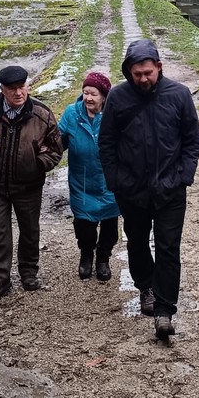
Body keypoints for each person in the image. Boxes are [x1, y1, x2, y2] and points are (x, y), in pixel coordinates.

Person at [98, 37, 199, 342]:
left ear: (158, 67)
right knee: (138, 242)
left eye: (148, 73)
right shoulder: (117, 98)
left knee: (169, 248)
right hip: (131, 190)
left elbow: (192, 141)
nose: (143, 79)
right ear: (129, 71)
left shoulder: (179, 95)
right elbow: (106, 143)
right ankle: (145, 287)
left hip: (171, 189)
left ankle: (165, 310)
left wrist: (184, 176)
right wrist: (115, 181)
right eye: (137, 74)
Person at [0, 64, 64, 301]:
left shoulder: (42, 114)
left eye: (22, 87)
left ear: (27, 86)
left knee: (30, 231)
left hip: (29, 186)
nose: (19, 93)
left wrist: (37, 163)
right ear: (2, 90)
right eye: (12, 89)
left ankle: (29, 274)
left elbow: (55, 149)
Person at [58, 71, 120, 281]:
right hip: (81, 181)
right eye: (85, 93)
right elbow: (58, 141)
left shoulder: (114, 114)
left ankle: (103, 259)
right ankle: (86, 256)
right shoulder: (71, 114)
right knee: (84, 227)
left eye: (93, 94)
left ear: (104, 96)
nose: (88, 98)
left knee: (110, 228)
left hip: (109, 181)